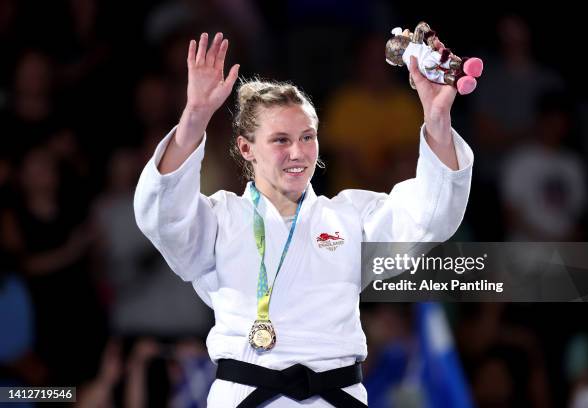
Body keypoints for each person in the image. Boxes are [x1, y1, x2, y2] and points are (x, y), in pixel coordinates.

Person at [134, 32, 473, 407]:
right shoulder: (220, 218)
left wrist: (438, 118)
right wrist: (195, 117)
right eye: (280, 140)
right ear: (246, 147)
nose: (298, 152)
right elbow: (165, 216)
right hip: (248, 397)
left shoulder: (350, 216)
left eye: (307, 137)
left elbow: (430, 215)